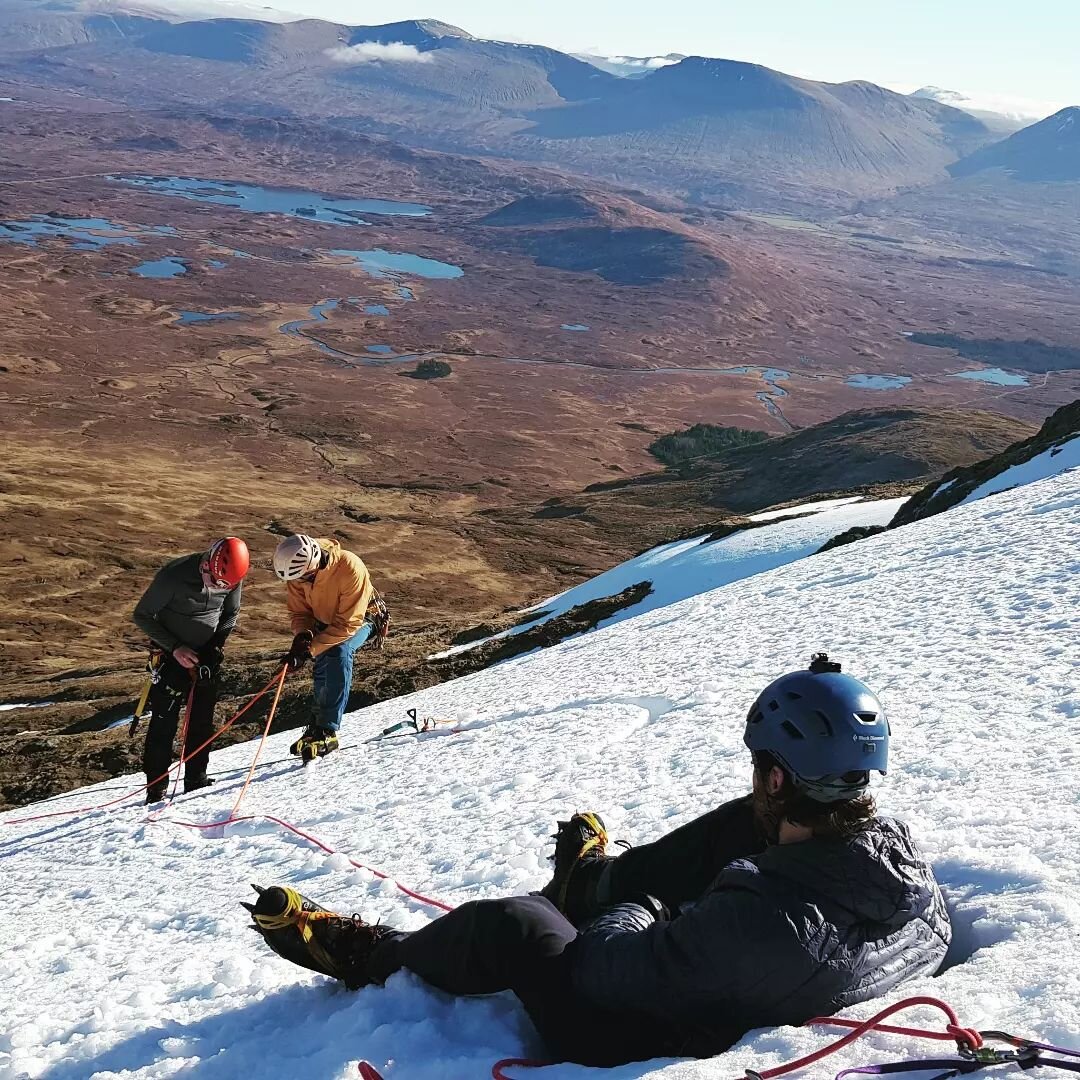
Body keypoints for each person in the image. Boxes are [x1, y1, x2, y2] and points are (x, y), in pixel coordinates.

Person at [245, 655, 952, 1066]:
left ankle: (371, 954)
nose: (756, 779)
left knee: (521, 924)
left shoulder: (750, 927)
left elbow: (601, 969)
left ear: (777, 776)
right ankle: (588, 881)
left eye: (760, 768)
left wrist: (648, 910)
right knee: (742, 831)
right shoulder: (899, 861)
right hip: (743, 974)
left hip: (631, 1027)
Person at [133, 536, 249, 802]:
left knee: (202, 719)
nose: (214, 588)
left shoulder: (232, 576)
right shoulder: (173, 576)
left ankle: (196, 779)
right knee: (164, 722)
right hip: (170, 655)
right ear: (206, 564)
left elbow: (230, 613)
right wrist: (175, 648)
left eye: (223, 586)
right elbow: (142, 615)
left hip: (206, 655)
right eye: (212, 581)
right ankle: (156, 787)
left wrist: (216, 647)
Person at [272, 533, 378, 761]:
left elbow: (348, 625)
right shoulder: (298, 574)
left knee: (337, 651)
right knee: (323, 656)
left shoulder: (350, 567)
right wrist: (303, 637)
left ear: (314, 564)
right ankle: (316, 725)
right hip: (326, 621)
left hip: (362, 618)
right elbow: (300, 612)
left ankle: (328, 729)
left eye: (306, 578)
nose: (301, 583)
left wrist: (310, 650)